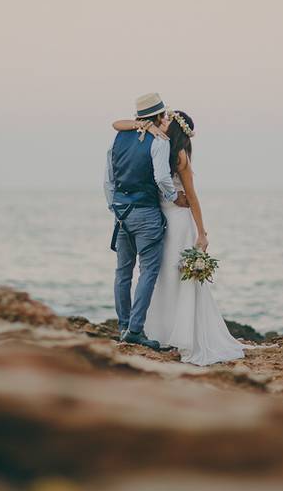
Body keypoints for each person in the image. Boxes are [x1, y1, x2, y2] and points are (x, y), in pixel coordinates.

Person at [112, 109, 250, 365]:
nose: (161, 122)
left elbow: (192, 196)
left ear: (174, 127)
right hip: (158, 218)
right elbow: (117, 124)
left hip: (178, 220)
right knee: (160, 274)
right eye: (161, 118)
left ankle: (183, 333)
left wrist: (202, 232)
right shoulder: (156, 146)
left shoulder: (179, 156)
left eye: (166, 120)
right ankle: (159, 330)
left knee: (175, 275)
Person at [103, 93, 189, 350]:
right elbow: (162, 177)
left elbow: (108, 179)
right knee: (148, 271)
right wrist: (174, 197)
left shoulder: (118, 138)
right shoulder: (158, 140)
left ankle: (123, 326)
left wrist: (114, 206)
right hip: (146, 212)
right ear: (160, 116)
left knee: (123, 272)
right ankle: (136, 330)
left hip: (121, 212)